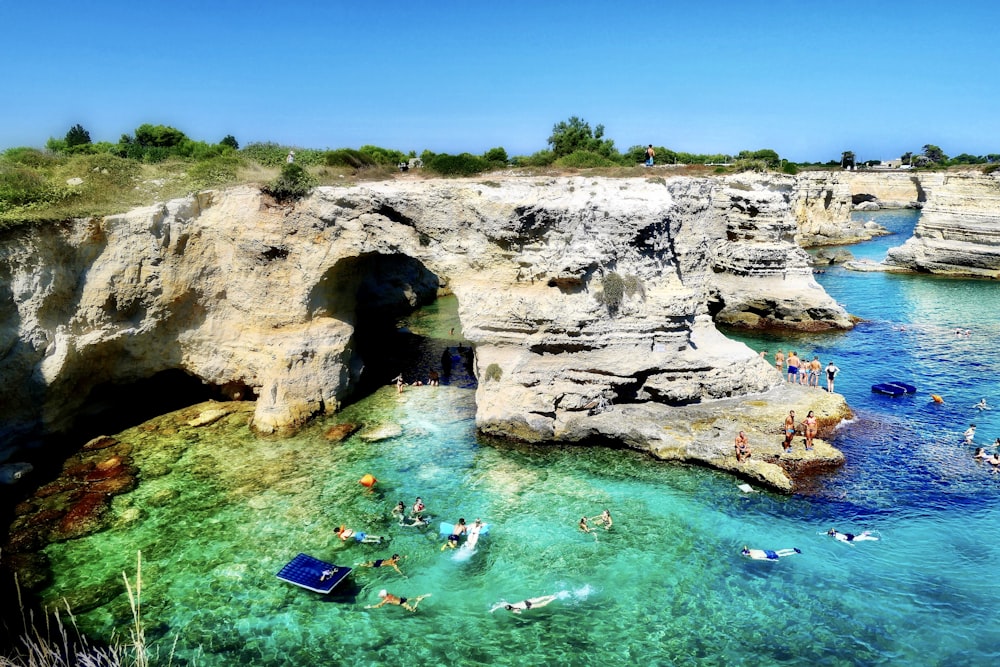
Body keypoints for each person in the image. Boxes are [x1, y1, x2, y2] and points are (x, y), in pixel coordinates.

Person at [366, 589, 430, 612]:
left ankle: (418, 601)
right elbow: (391, 599)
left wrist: (370, 607)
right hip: (402, 599)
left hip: (402, 602)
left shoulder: (386, 599)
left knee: (413, 610)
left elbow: (379, 606)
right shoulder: (389, 594)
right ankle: (423, 596)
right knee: (413, 598)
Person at [492, 595, 559, 614]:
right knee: (539, 598)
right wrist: (493, 609)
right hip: (525, 601)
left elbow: (520, 612)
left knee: (542, 604)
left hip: (527, 606)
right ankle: (552, 596)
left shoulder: (513, 610)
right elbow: (500, 605)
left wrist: (517, 612)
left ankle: (553, 599)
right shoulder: (509, 604)